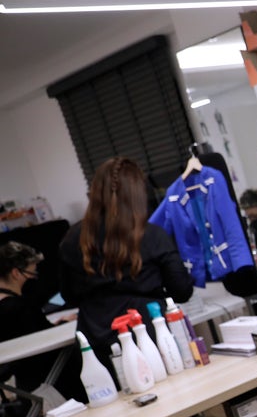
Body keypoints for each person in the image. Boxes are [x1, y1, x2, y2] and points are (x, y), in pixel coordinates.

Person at [59, 156, 193, 369]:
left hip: (95, 340)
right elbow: (181, 291)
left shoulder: (72, 239)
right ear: (138, 194)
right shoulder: (152, 236)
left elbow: (68, 295)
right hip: (149, 334)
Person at [0, 241, 85, 401]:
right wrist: (63, 325)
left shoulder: (10, 307)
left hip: (21, 379)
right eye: (31, 274)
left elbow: (28, 334)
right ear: (16, 273)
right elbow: (41, 341)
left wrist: (54, 325)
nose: (33, 278)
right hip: (45, 380)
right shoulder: (18, 308)